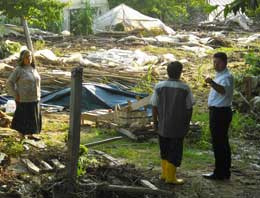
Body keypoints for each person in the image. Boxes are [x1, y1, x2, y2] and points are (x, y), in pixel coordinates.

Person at [150, 61, 194, 185]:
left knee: (164, 149)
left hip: (163, 125)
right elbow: (189, 108)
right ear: (180, 73)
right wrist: (187, 123)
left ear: (167, 72)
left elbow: (154, 106)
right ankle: (171, 178)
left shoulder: (159, 86)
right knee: (175, 151)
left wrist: (155, 122)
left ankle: (164, 174)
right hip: (178, 127)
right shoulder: (185, 88)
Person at [203, 52, 233, 180]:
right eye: (214, 62)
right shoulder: (220, 75)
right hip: (218, 111)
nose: (215, 65)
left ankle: (220, 172)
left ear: (225, 62)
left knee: (219, 143)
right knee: (222, 142)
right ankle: (224, 171)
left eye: (218, 62)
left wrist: (211, 82)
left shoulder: (226, 77)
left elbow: (223, 91)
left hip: (220, 113)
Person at [6, 49, 41, 141]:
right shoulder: (19, 70)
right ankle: (22, 136)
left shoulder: (33, 69)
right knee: (23, 117)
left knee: (33, 117)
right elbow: (9, 82)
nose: (29, 58)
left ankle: (30, 134)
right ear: (22, 58)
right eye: (26, 56)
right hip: (23, 98)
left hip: (34, 97)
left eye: (30, 56)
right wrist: (15, 94)